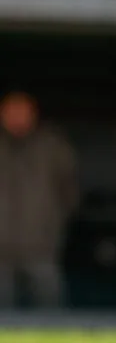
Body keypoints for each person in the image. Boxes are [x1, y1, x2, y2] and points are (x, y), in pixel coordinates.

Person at [0, 91, 78, 308]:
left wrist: (53, 222)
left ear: (34, 114)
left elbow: (68, 190)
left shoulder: (52, 145)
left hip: (40, 241)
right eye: (10, 112)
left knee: (49, 302)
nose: (16, 117)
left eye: (22, 112)